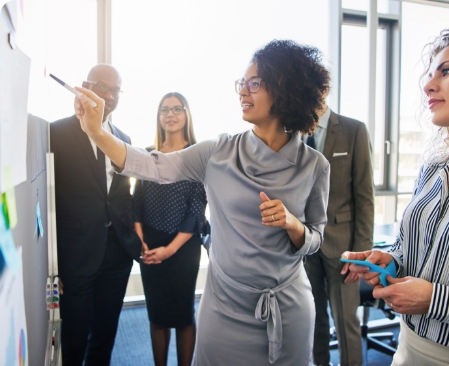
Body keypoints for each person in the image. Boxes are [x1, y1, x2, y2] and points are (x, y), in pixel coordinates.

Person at [74, 39, 331, 365]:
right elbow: (151, 165)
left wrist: (293, 224)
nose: (243, 92)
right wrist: (97, 133)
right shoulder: (217, 152)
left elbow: (315, 240)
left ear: (285, 90)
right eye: (242, 83)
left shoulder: (315, 166)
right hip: (225, 307)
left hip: (287, 308)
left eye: (254, 84)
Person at [342, 29, 449, 365]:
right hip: (408, 345)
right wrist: (392, 261)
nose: (428, 85)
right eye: (430, 73)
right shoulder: (435, 167)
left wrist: (433, 301)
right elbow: (416, 250)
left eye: (447, 71)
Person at [50, 64, 141, 366]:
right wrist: (54, 263)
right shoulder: (56, 133)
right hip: (76, 256)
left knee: (105, 334)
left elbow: (121, 194)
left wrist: (133, 236)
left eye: (116, 90)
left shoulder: (123, 137)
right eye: (103, 87)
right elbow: (49, 200)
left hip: (117, 253)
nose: (110, 95)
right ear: (85, 86)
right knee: (74, 338)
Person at [133, 92, 208, 366]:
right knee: (157, 313)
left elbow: (196, 210)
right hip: (150, 245)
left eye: (177, 108)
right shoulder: (148, 154)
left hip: (184, 247)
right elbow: (137, 200)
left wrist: (169, 250)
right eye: (165, 109)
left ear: (186, 114)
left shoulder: (197, 154)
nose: (170, 114)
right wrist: (140, 240)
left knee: (183, 315)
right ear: (159, 116)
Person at [304, 99, 374, 366]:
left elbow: (365, 197)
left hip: (344, 247)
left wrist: (361, 255)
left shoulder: (353, 130)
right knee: (313, 318)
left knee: (346, 321)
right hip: (305, 246)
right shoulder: (293, 132)